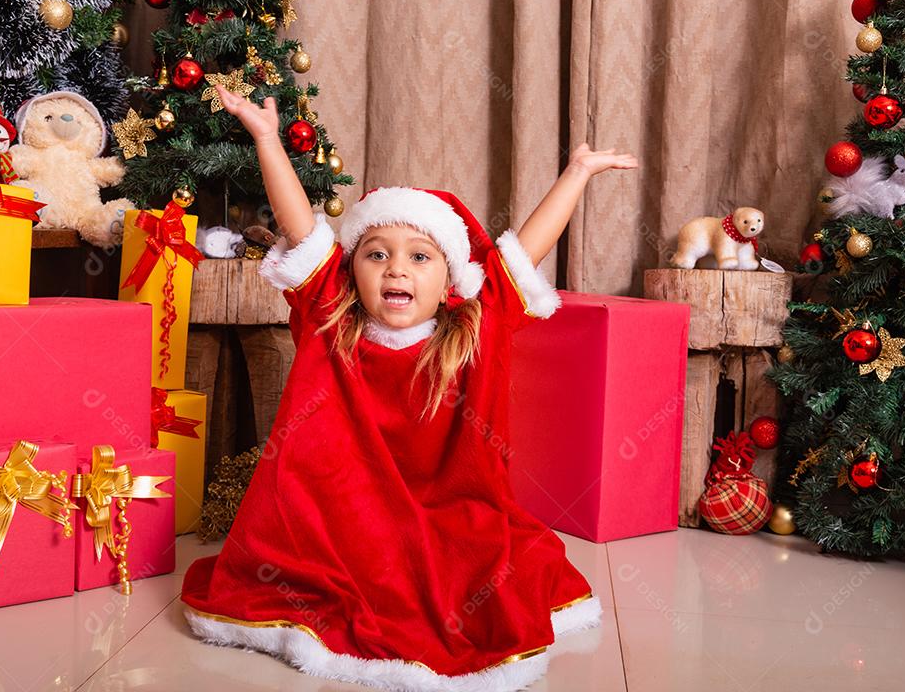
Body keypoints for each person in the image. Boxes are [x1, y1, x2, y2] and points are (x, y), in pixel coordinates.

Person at [182, 83, 637, 692]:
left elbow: (523, 252)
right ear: (351, 270)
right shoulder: (331, 317)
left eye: (419, 257)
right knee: (324, 551)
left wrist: (577, 173)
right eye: (377, 254)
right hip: (343, 505)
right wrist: (268, 138)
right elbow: (302, 227)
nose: (396, 268)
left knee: (468, 570)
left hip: (445, 504)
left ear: (451, 277)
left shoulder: (475, 327)